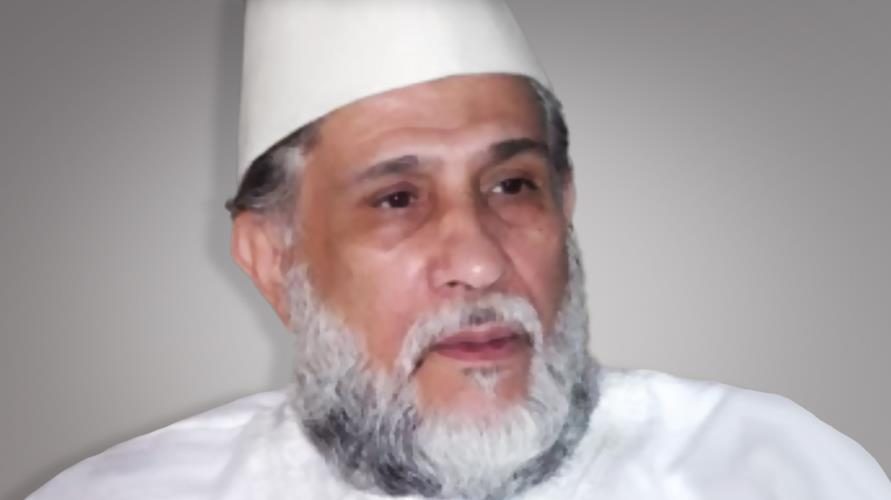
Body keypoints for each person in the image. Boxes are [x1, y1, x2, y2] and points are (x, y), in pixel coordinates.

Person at [29, 1, 891, 499]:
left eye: (512, 186)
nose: (478, 263)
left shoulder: (772, 468)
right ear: (272, 261)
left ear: (566, 206)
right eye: (396, 199)